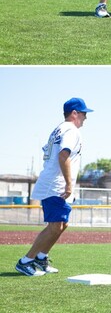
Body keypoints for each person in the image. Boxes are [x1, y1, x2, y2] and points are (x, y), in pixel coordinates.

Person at [15, 97, 94, 276]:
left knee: (62, 224)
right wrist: (68, 184)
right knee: (55, 226)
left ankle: (41, 258)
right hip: (56, 185)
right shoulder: (71, 130)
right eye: (83, 114)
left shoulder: (58, 129)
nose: (85, 118)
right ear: (74, 113)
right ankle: (25, 261)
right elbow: (62, 156)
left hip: (53, 182)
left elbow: (47, 152)